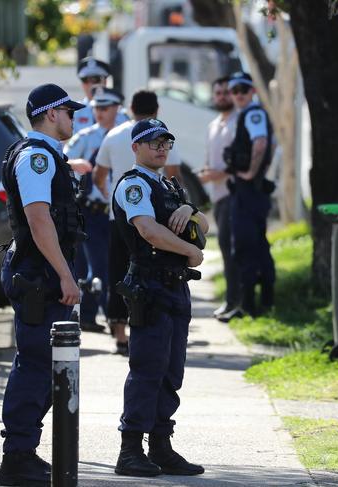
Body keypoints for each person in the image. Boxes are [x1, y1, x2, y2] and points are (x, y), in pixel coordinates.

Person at [0, 83, 85, 487]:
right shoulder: (35, 157)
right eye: (69, 112)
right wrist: (65, 274)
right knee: (35, 366)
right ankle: (16, 457)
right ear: (52, 114)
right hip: (40, 276)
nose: (73, 118)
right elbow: (38, 218)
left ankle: (23, 452)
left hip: (40, 273)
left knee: (45, 368)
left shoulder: (45, 155)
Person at [112, 119, 209, 478]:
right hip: (150, 287)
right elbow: (149, 231)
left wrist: (192, 210)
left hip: (175, 286)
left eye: (166, 141)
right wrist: (191, 251)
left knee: (171, 370)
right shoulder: (134, 185)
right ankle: (130, 449)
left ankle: (161, 446)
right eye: (153, 142)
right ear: (136, 147)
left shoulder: (171, 186)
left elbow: (207, 225)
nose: (161, 147)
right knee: (147, 369)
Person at [93, 90, 183, 355]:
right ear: (157, 110)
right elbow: (175, 177)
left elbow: (99, 175)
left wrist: (111, 198)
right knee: (149, 272)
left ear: (130, 108)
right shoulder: (162, 139)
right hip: (155, 219)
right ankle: (145, 327)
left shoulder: (113, 134)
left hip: (117, 219)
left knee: (118, 274)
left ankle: (120, 335)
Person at [64, 87, 125, 333]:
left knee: (115, 265)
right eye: (96, 108)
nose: (99, 112)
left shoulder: (125, 135)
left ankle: (113, 315)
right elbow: (63, 160)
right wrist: (76, 165)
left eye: (105, 107)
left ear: (116, 108)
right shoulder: (87, 137)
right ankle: (93, 315)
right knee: (97, 266)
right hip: (93, 210)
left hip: (119, 211)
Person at [224, 72, 276, 316]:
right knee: (256, 245)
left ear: (252, 91)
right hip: (251, 191)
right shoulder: (248, 114)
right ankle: (263, 302)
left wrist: (251, 173)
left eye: (243, 90)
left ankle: (249, 306)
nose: (238, 95)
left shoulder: (253, 113)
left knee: (246, 247)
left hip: (249, 191)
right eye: (234, 91)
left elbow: (261, 143)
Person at [197, 76, 242, 322]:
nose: (223, 96)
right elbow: (209, 160)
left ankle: (239, 302)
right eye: (219, 93)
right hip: (218, 196)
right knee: (225, 248)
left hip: (234, 194)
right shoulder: (214, 124)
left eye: (227, 92)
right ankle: (231, 299)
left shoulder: (239, 122)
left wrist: (219, 174)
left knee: (234, 249)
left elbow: (238, 162)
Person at [73, 56, 128, 134]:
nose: (91, 84)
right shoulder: (74, 113)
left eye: (95, 79)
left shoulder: (119, 114)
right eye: (85, 80)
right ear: (81, 84)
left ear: (105, 81)